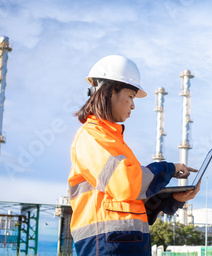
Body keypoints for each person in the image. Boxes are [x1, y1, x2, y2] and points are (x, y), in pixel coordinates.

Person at [68, 55, 200, 256]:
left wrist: (172, 199)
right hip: (105, 248)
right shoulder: (91, 136)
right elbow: (125, 184)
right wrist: (168, 168)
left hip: (120, 246)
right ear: (111, 92)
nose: (133, 105)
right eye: (130, 96)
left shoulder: (114, 141)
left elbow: (131, 205)